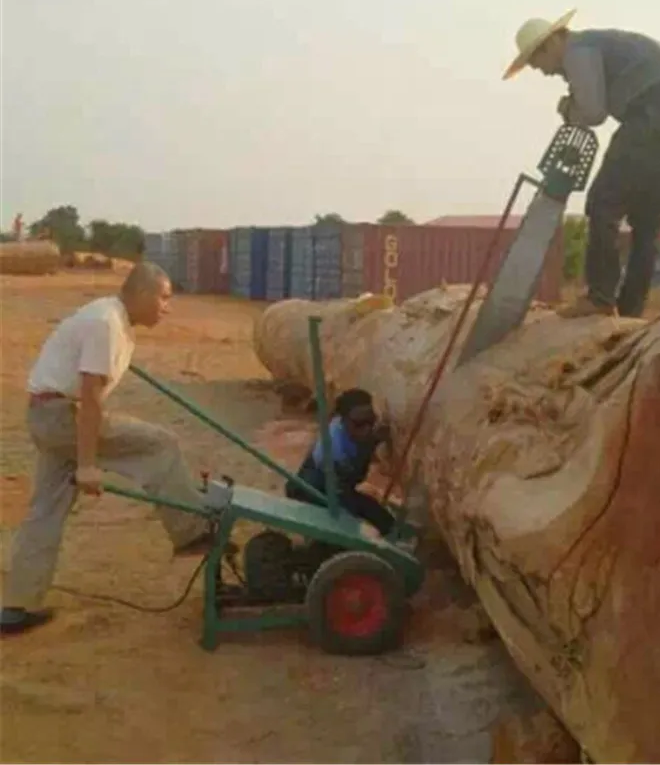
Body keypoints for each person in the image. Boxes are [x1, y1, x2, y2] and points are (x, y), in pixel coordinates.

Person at [0, 262, 230, 637]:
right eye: (164, 298)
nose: (167, 307)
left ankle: (16, 606)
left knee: (45, 511)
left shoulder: (108, 317)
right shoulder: (107, 324)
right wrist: (88, 465)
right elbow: (90, 398)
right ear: (140, 294)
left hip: (45, 415)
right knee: (159, 444)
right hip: (63, 417)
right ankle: (189, 530)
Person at [503, 9, 660, 318]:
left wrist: (568, 108)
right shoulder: (602, 44)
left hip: (649, 118)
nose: (543, 72)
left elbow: (593, 112)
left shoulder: (578, 50)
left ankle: (600, 298)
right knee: (647, 225)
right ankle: (631, 310)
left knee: (602, 203)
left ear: (551, 45)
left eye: (537, 63)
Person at [286, 389, 397, 537]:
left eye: (371, 421)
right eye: (359, 424)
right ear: (343, 420)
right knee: (355, 524)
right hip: (314, 491)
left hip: (333, 482)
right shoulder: (334, 451)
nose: (367, 429)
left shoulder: (344, 427)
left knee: (377, 515)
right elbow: (355, 478)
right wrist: (371, 444)